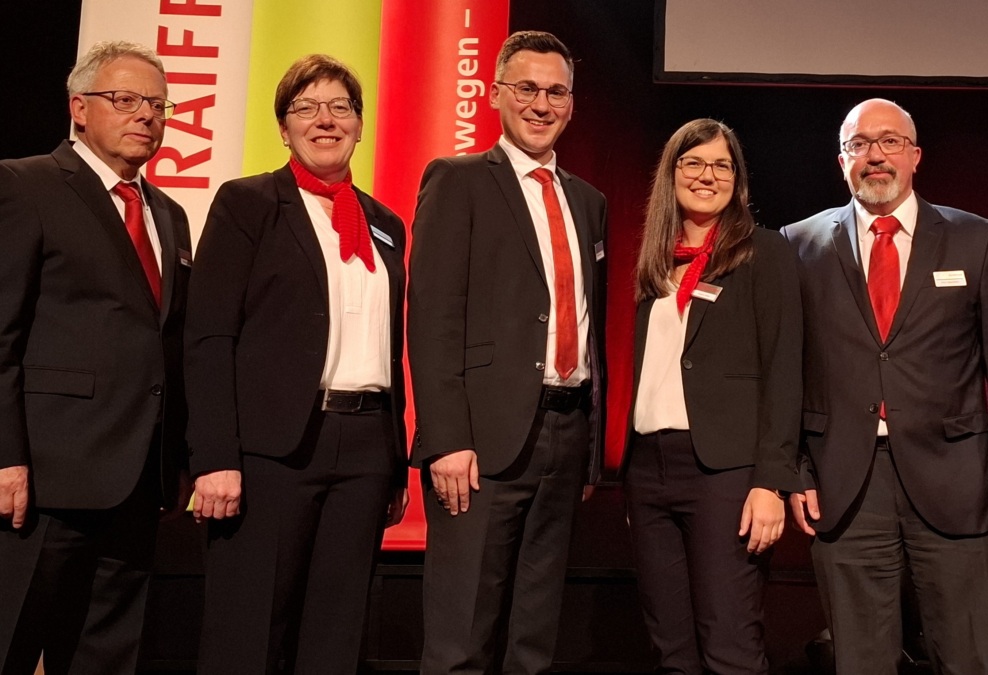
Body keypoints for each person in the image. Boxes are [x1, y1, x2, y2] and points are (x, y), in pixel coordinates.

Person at [781, 98, 988, 675]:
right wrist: (796, 471)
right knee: (861, 661)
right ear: (842, 161)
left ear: (916, 156)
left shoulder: (976, 239)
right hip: (844, 485)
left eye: (889, 141)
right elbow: (785, 371)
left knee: (971, 659)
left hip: (959, 482)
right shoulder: (797, 244)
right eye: (859, 145)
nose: (875, 156)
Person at [184, 54, 407, 674]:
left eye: (340, 107)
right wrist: (215, 457)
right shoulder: (247, 203)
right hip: (271, 451)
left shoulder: (385, 224)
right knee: (249, 632)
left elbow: (389, 345)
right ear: (283, 128)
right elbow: (209, 337)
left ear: (359, 124)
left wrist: (394, 462)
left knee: (336, 636)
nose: (325, 120)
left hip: (365, 449)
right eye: (306, 108)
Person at [407, 30, 607, 674]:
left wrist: (590, 449)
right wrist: (445, 439)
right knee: (461, 638)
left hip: (566, 435)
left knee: (533, 640)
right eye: (526, 88)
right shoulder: (458, 180)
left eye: (556, 92)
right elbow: (432, 317)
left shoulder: (589, 201)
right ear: (495, 94)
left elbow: (591, 326)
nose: (541, 104)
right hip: (481, 445)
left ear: (572, 104)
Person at [0, 40, 191, 673]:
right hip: (44, 480)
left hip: (136, 483)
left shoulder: (169, 214)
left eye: (158, 105)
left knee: (107, 657)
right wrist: (5, 457)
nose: (146, 115)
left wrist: (175, 457)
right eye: (126, 100)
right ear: (79, 108)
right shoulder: (23, 184)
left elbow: (164, 341)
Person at [625, 118, 804, 674]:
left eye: (722, 165)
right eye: (694, 163)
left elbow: (785, 369)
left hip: (725, 474)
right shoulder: (656, 259)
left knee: (730, 645)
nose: (708, 176)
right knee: (671, 649)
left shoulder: (764, 252)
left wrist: (771, 482)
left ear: (738, 179)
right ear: (671, 173)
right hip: (649, 471)